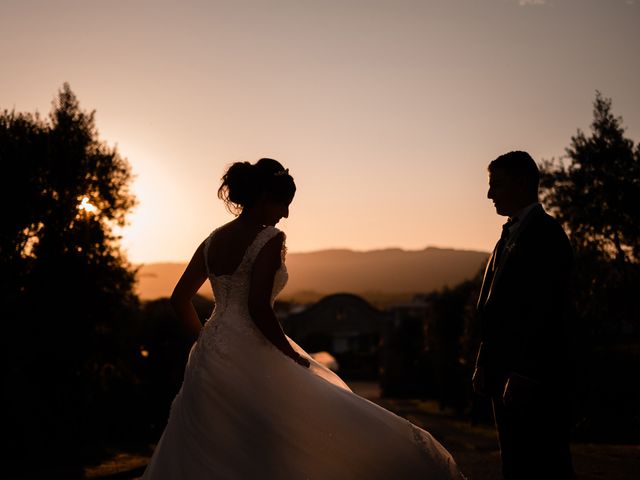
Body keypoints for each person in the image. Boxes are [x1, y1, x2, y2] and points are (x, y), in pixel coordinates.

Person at [142, 158, 464, 479]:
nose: (285, 214)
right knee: (276, 435)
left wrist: (204, 338)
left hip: (210, 353)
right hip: (254, 350)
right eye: (284, 204)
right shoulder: (269, 238)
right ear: (266, 197)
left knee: (213, 441)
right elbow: (258, 308)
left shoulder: (212, 240)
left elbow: (179, 298)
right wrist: (289, 353)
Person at [472, 151, 575, 479]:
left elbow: (549, 310)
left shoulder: (547, 235)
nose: (490, 194)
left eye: (496, 185)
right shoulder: (507, 237)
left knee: (545, 462)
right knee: (515, 464)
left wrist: (526, 373)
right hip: (502, 373)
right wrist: (483, 360)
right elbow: (495, 307)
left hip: (532, 379)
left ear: (521, 183)